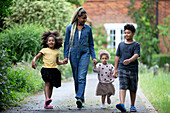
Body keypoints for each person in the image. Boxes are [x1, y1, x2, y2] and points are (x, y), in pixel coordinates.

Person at [63, 7, 97, 108]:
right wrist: (66, 56)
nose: (85, 20)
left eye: (85, 18)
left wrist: (93, 57)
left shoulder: (88, 29)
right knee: (76, 77)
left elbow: (91, 44)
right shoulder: (70, 28)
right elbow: (66, 43)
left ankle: (78, 97)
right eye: (83, 18)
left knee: (82, 76)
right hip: (73, 54)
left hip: (85, 53)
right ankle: (81, 98)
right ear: (78, 17)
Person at [32, 30, 66, 109]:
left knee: (51, 85)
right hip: (46, 69)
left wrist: (63, 62)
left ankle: (47, 102)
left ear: (55, 42)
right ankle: (47, 98)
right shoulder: (44, 50)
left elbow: (57, 62)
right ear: (46, 42)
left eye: (53, 41)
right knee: (47, 83)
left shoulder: (56, 52)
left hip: (54, 70)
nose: (51, 42)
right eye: (49, 41)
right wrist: (34, 61)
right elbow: (36, 57)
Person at [113, 24, 140, 112]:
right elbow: (117, 56)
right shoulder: (120, 45)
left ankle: (132, 105)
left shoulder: (136, 45)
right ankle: (122, 104)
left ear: (133, 33)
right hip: (122, 69)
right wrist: (115, 69)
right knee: (122, 86)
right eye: (125, 33)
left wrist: (129, 60)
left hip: (133, 70)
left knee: (133, 87)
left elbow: (136, 55)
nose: (126, 35)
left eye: (128, 33)